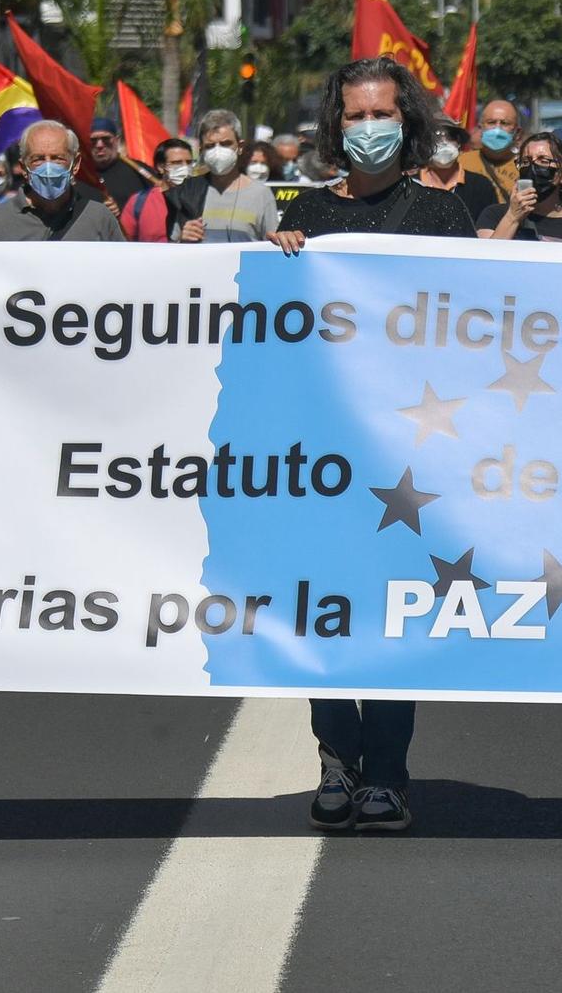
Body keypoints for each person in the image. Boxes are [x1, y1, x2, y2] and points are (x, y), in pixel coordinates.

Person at [271, 57, 474, 834]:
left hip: (408, 457)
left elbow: (477, 327)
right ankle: (337, 757)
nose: (367, 129)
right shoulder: (305, 220)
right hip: (320, 456)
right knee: (320, 610)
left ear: (407, 120)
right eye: (353, 117)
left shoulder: (444, 217)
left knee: (393, 615)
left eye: (380, 114)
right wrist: (276, 256)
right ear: (335, 126)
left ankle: (387, 773)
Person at [0, 119, 126, 242]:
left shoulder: (99, 218)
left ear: (76, 164)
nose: (48, 168)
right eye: (38, 159)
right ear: (23, 167)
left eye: (58, 158)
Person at [476, 132, 562, 244]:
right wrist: (512, 217)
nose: (532, 167)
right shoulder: (494, 215)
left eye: (543, 161)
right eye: (526, 161)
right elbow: (486, 264)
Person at [189, 109, 281, 244]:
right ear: (201, 149)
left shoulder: (261, 194)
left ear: (240, 146)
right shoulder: (188, 190)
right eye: (210, 146)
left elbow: (272, 247)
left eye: (226, 144)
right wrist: (182, 239)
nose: (218, 151)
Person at [122, 138, 204, 243]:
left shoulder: (201, 197)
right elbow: (123, 243)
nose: (185, 168)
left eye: (188, 162)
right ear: (161, 167)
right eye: (177, 163)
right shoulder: (139, 202)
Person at [418, 122, 499, 223]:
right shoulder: (410, 183)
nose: (444, 143)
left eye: (451, 136)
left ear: (459, 144)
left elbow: (490, 228)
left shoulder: (481, 186)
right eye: (435, 137)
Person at [88, 116, 153, 210]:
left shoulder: (139, 171)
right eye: (93, 140)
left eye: (106, 138)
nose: (99, 145)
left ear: (116, 140)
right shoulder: (81, 174)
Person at [461, 99, 522, 196]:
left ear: (517, 133)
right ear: (480, 128)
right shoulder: (461, 163)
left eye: (505, 123)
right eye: (491, 122)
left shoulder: (525, 167)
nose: (497, 129)